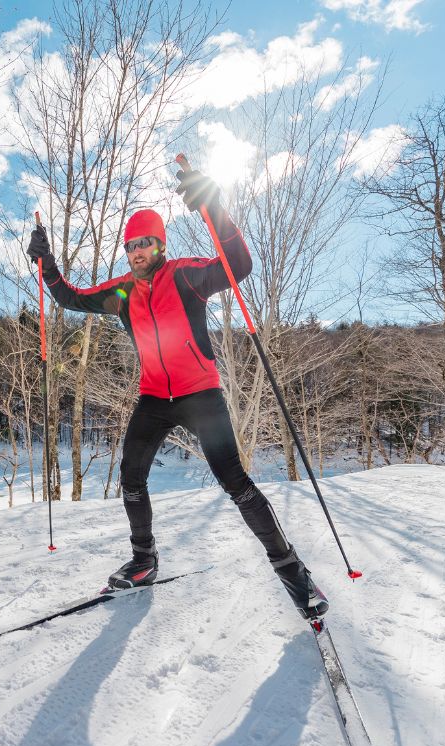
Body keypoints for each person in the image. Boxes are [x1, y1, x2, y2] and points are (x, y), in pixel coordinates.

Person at [25, 168, 327, 620]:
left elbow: (239, 265)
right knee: (131, 475)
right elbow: (71, 297)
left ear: (159, 245)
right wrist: (47, 265)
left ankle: (293, 573)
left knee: (235, 482)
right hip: (153, 398)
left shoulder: (186, 275)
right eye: (129, 246)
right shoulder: (122, 292)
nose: (136, 252)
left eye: (143, 243)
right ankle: (144, 561)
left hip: (200, 393)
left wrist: (216, 209)